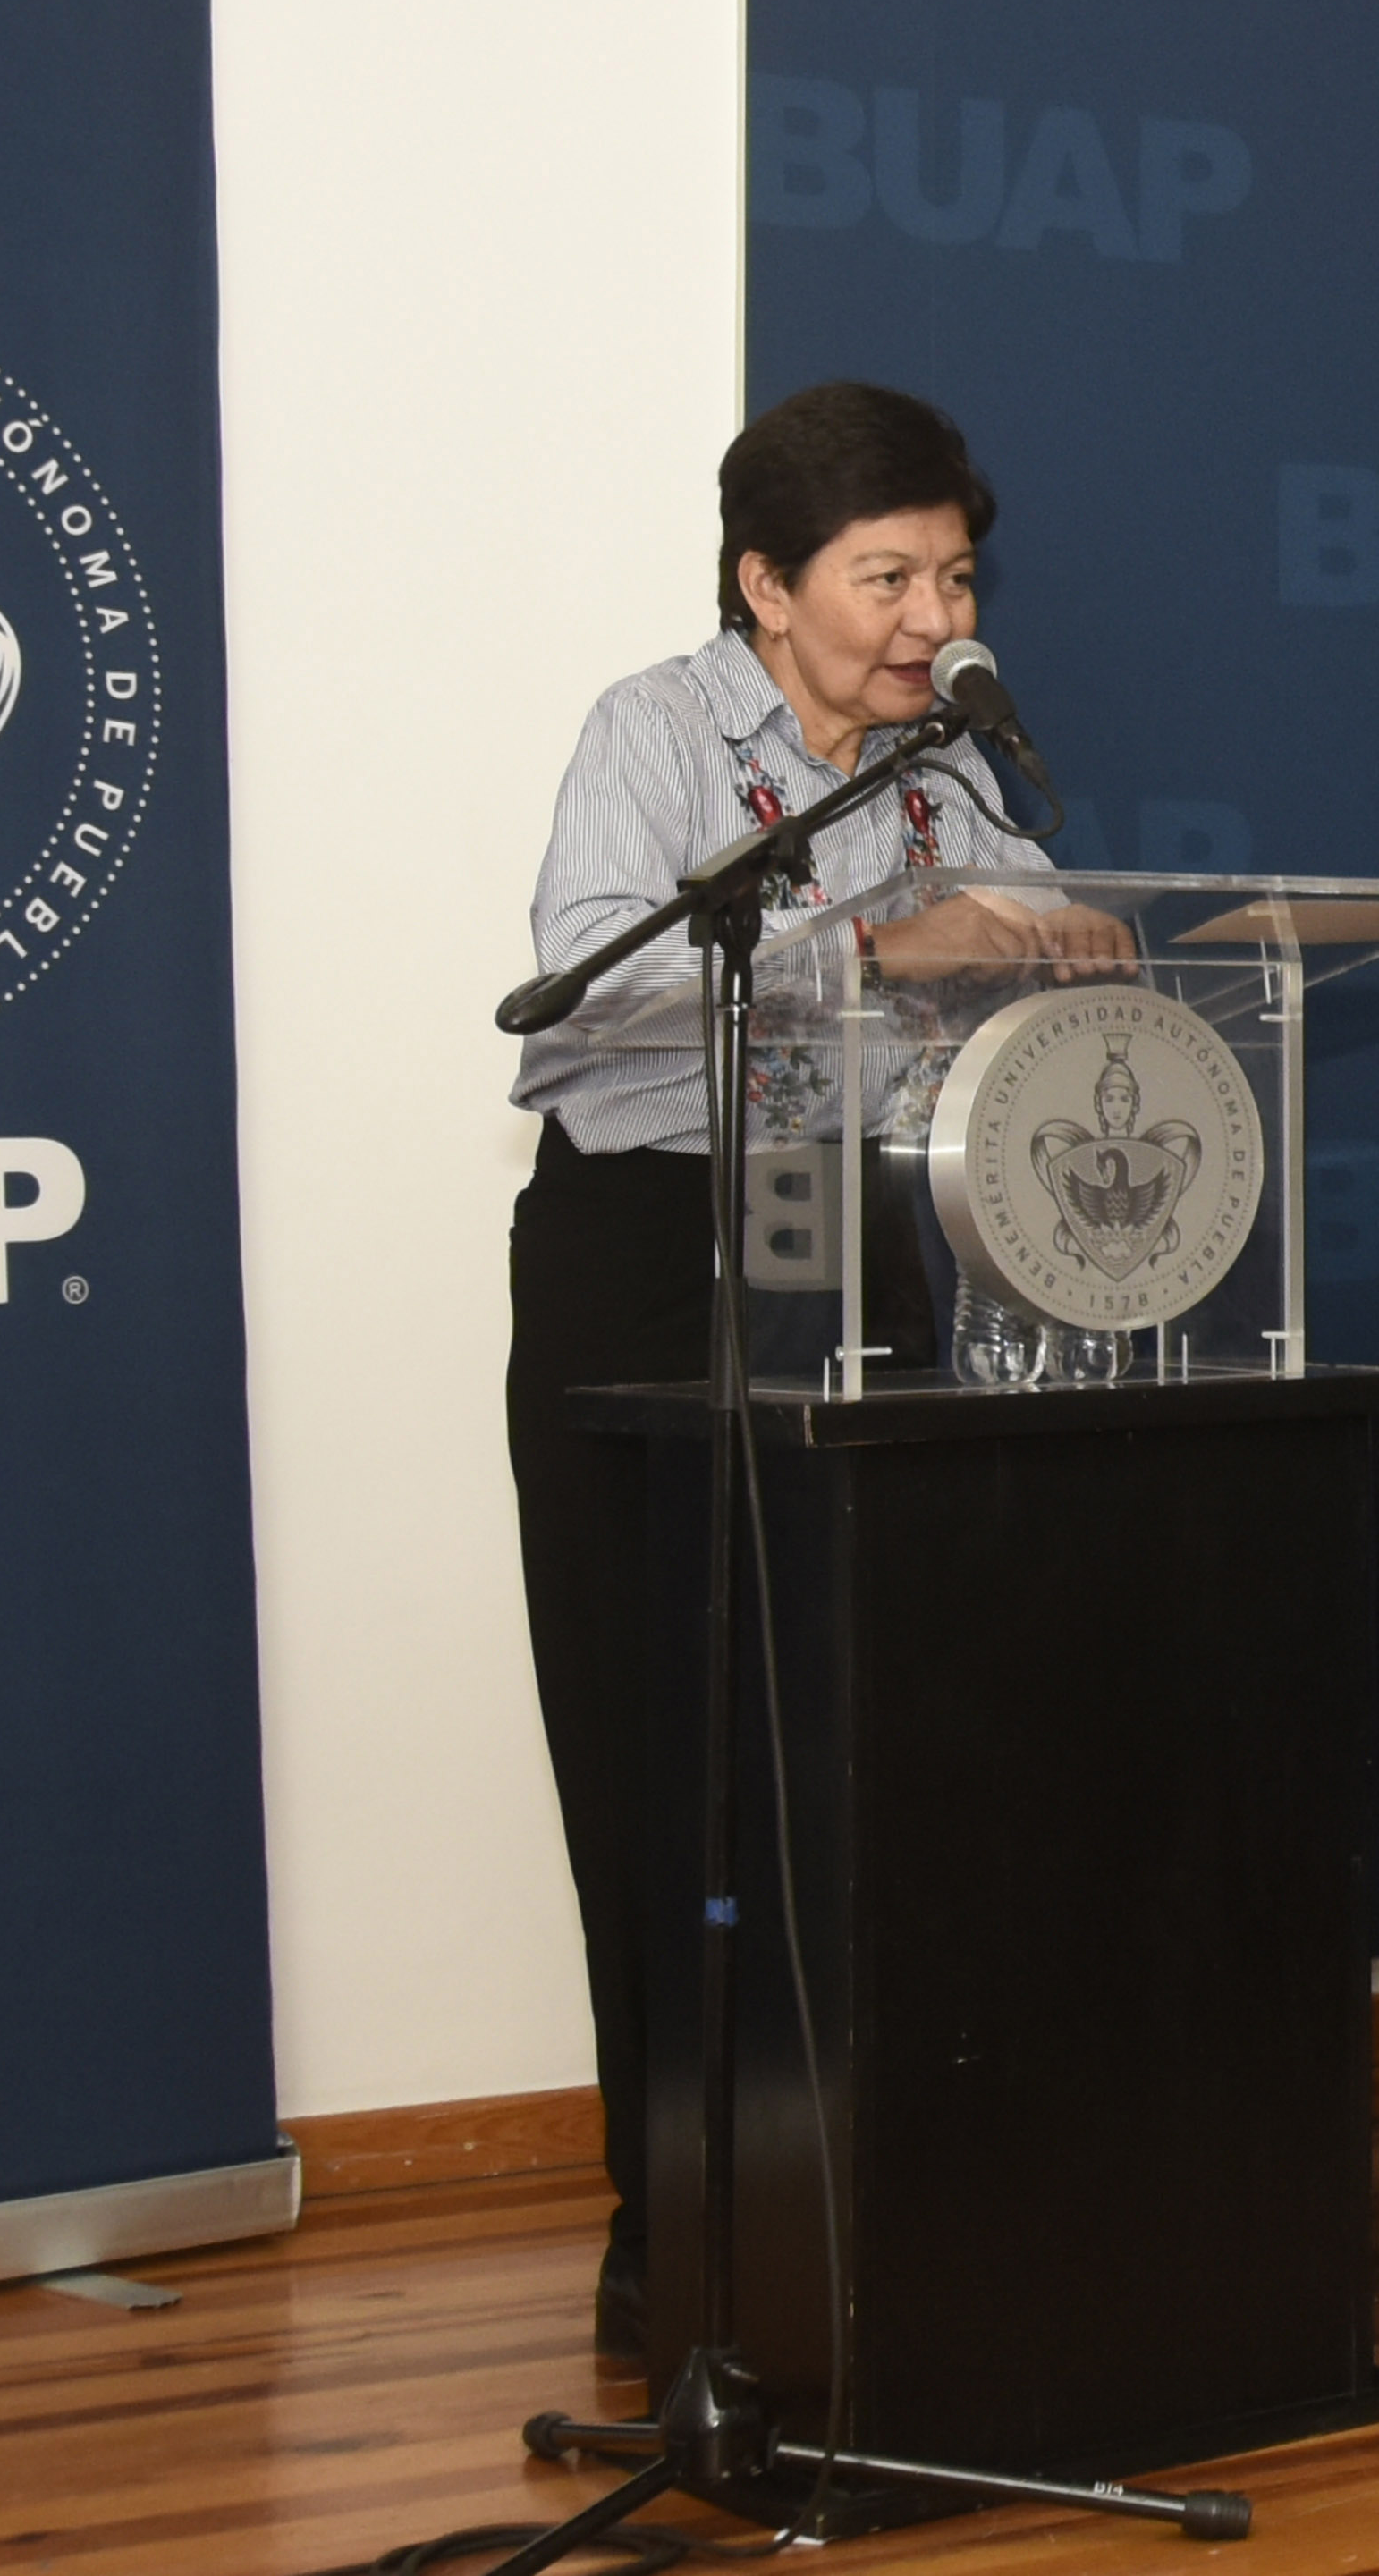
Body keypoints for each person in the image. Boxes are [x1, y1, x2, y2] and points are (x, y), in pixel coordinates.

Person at [498, 380, 1104, 2366]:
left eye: (955, 575)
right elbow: (584, 999)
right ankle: (667, 2210)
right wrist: (885, 947)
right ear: (767, 586)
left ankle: (863, 2182)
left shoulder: (951, 766)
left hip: (859, 1242)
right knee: (656, 1751)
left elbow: (1031, 931)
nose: (935, 616)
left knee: (864, 1733)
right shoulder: (656, 734)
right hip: (644, 1260)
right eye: (887, 578)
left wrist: (1060, 947)